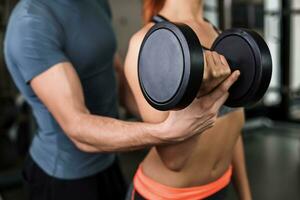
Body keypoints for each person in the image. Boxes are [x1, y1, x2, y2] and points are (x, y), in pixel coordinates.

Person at [3, 0, 239, 199]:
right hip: (64, 175)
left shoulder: (94, 3)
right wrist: (168, 132)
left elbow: (118, 82)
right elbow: (77, 128)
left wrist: (169, 111)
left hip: (109, 162)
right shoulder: (32, 23)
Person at [125, 0, 252, 199]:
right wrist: (205, 94)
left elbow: (233, 127)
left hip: (220, 187)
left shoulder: (217, 32)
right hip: (168, 195)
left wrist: (246, 196)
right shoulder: (149, 43)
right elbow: (173, 160)